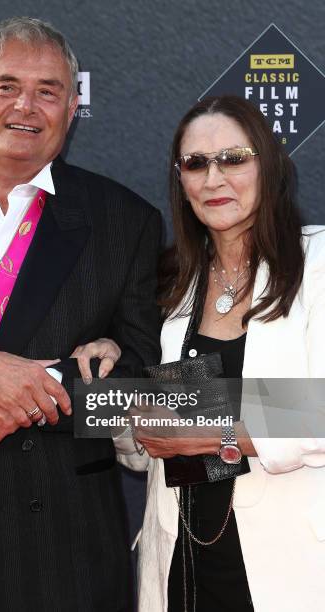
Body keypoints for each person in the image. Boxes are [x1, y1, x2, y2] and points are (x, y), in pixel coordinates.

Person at [0, 17, 162, 612]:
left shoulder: (126, 222)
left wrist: (39, 390)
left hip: (60, 547)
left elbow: (145, 382)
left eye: (48, 90)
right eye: (5, 86)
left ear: (73, 106)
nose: (26, 105)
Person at [76, 96, 325, 612]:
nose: (214, 179)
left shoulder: (317, 262)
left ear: (269, 166)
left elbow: (317, 408)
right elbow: (145, 448)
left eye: (234, 158)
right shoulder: (170, 285)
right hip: (180, 562)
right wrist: (115, 388)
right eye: (195, 163)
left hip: (291, 569)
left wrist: (208, 426)